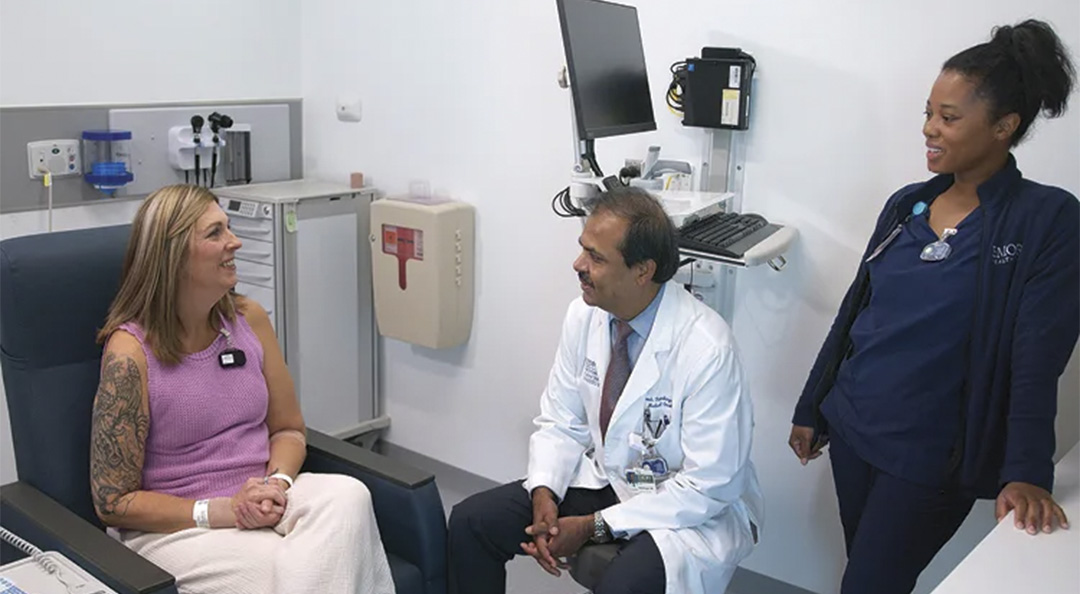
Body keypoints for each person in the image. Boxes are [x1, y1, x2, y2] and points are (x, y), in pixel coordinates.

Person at [789, 19, 1078, 594]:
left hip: (930, 459)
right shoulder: (907, 206)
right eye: (928, 113)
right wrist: (813, 405)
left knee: (870, 584)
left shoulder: (1046, 221)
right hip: (853, 430)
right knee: (870, 578)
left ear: (1003, 126)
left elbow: (1037, 357)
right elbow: (857, 310)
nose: (929, 129)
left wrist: (1025, 471)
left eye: (948, 118)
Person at [448, 187, 763, 594]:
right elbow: (561, 420)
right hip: (612, 477)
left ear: (642, 271)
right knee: (471, 523)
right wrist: (545, 492)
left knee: (624, 584)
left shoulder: (707, 348)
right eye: (583, 250)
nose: (578, 265)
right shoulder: (585, 315)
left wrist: (594, 527)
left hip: (689, 507)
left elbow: (709, 485)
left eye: (596, 257)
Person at [89, 185, 395, 594]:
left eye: (229, 228)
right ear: (173, 255)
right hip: (180, 525)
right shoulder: (130, 354)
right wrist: (226, 511)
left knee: (349, 494)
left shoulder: (249, 319)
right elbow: (115, 503)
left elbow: (287, 430)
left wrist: (276, 484)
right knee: (280, 573)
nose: (235, 242)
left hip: (264, 494)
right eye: (215, 233)